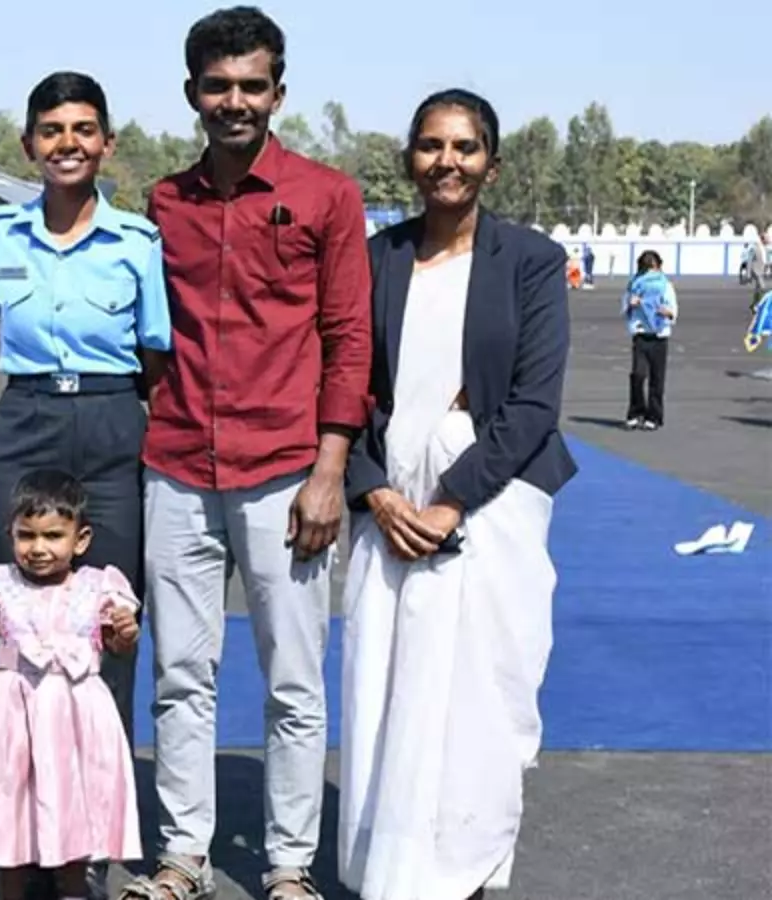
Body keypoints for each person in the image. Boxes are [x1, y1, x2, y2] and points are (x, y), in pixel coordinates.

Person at [123, 8, 373, 900]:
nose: (235, 101)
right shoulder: (164, 203)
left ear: (278, 93)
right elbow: (151, 334)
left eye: (252, 86)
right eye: (218, 86)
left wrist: (330, 471)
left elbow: (348, 338)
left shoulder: (327, 196)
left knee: (293, 684)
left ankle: (288, 865)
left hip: (286, 474)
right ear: (193, 93)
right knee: (179, 676)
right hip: (178, 467)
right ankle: (182, 856)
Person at [339, 88, 577, 900]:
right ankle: (391, 867)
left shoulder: (532, 262)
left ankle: (464, 867)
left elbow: (533, 405)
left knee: (477, 698)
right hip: (389, 512)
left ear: (491, 165)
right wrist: (373, 492)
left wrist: (450, 501)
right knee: (386, 688)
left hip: (491, 506)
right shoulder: (377, 258)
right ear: (410, 159)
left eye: (465, 147)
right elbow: (345, 388)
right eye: (432, 145)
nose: (448, 161)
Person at [0, 68, 170, 779]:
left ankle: (99, 797)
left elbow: (156, 357)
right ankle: (21, 790)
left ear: (107, 144)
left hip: (112, 424)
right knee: (19, 610)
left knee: (108, 617)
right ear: (28, 145)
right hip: (25, 421)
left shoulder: (137, 242)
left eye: (84, 130)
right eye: (52, 131)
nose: (68, 143)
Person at [0, 470, 143, 900]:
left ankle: (75, 889)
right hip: (12, 713)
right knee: (11, 809)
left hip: (77, 715)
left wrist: (126, 632)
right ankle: (11, 892)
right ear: (11, 534)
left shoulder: (100, 585)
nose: (38, 548)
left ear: (80, 540)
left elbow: (118, 646)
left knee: (76, 805)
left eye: (53, 536)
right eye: (26, 535)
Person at [621, 250, 677, 431]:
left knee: (657, 379)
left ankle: (654, 416)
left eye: (654, 268)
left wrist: (667, 312)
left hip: (659, 336)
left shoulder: (665, 285)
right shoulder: (634, 285)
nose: (651, 273)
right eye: (647, 269)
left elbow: (673, 310)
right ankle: (636, 412)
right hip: (641, 335)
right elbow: (624, 307)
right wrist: (631, 303)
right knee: (638, 375)